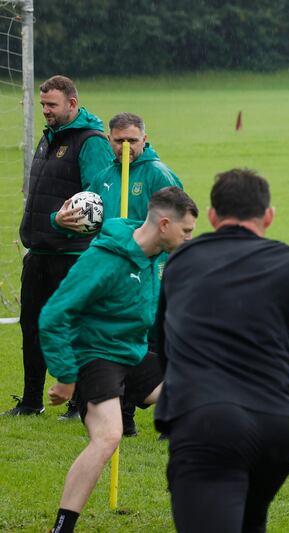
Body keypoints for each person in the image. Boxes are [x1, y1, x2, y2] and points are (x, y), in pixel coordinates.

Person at [154, 168, 289, 532]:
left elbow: (163, 335)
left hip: (209, 423)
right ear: (268, 216)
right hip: (279, 427)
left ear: (211, 217)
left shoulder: (182, 261)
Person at [40, 187, 198, 533]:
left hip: (133, 352)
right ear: (165, 225)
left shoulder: (157, 256)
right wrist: (66, 376)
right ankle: (61, 528)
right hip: (95, 355)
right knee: (108, 437)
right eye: (187, 231)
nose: (190, 238)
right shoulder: (105, 260)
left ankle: (189, 495)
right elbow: (53, 314)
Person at [4, 75, 114, 418]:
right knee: (32, 326)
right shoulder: (49, 137)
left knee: (74, 328)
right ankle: (31, 400)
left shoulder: (91, 141)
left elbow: (98, 200)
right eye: (43, 106)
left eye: (52, 105)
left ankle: (78, 404)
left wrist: (63, 221)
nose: (46, 112)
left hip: (73, 255)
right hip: (38, 253)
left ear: (72, 104)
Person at [95, 111, 184, 437]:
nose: (126, 147)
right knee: (123, 343)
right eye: (119, 141)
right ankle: (124, 418)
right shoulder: (104, 176)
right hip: (116, 279)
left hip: (154, 276)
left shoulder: (159, 175)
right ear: (109, 140)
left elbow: (179, 226)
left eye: (133, 140)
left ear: (145, 139)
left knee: (160, 344)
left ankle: (172, 418)